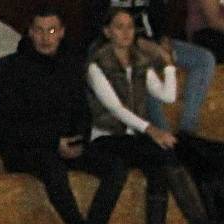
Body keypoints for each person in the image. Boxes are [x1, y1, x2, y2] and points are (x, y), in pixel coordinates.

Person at [0, 6, 127, 224]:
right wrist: (54, 142)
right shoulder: (13, 70)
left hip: (68, 143)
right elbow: (9, 125)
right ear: (30, 33)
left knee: (115, 167)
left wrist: (78, 140)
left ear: (62, 33)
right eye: (39, 31)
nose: (45, 37)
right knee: (52, 169)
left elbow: (82, 110)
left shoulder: (71, 64)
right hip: (27, 148)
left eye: (52, 30)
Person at [86, 8, 216, 224]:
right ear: (107, 32)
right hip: (108, 136)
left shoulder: (139, 61)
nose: (125, 32)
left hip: (133, 136)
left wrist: (166, 64)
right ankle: (198, 219)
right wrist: (152, 130)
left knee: (160, 169)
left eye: (129, 27)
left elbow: (167, 96)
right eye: (119, 27)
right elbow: (116, 109)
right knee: (163, 151)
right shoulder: (97, 64)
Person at [86, 0, 216, 135]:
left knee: (204, 59)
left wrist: (163, 40)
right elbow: (97, 28)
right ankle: (161, 132)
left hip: (153, 41)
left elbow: (159, 18)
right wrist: (141, 43)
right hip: (119, 45)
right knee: (143, 66)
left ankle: (187, 129)